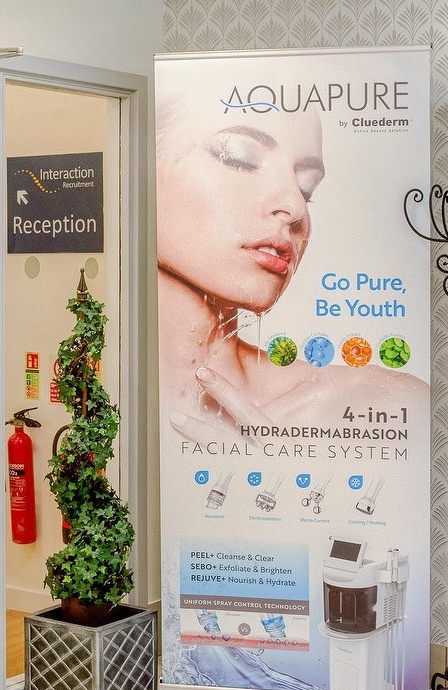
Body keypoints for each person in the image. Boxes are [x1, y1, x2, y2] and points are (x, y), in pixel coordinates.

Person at [156, 90, 427, 442]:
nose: (296, 207)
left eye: (306, 188)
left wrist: (286, 471)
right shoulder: (94, 383)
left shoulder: (386, 405)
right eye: (240, 159)